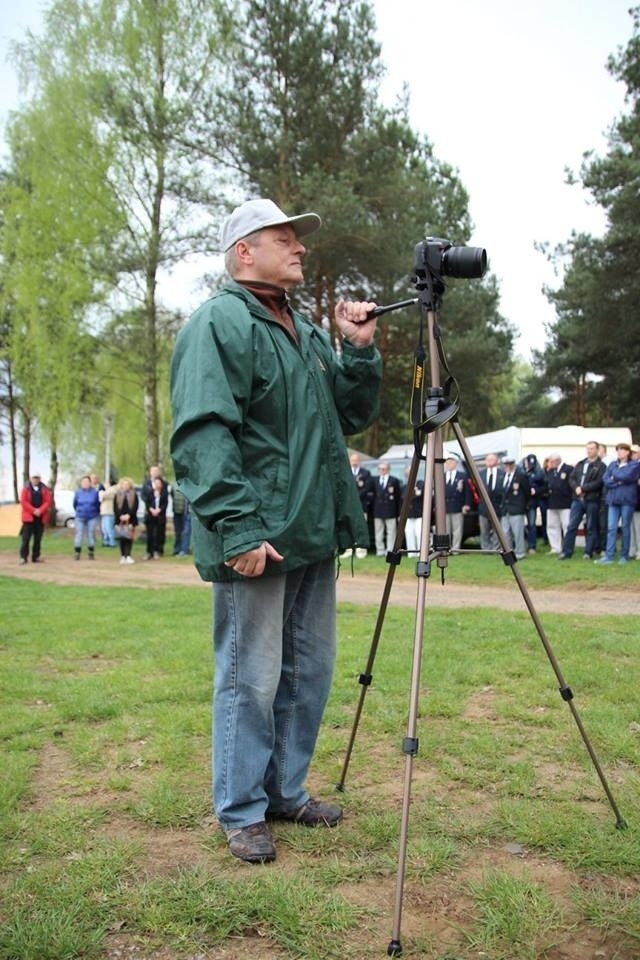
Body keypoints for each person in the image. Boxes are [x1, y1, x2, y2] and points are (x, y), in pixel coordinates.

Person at [170, 198, 381, 864]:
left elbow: (345, 416)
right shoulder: (218, 324)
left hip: (312, 531)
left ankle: (285, 791)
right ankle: (240, 809)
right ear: (243, 254)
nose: (299, 248)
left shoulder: (307, 330)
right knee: (250, 677)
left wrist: (359, 353)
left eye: (298, 239)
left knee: (309, 672)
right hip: (257, 536)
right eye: (284, 238)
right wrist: (236, 529)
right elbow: (204, 433)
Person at [559, 441, 605, 560]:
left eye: (592, 449)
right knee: (572, 526)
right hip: (577, 499)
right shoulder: (581, 463)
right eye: (588, 449)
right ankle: (566, 552)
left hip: (592, 499)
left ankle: (588, 552)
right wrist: (576, 488)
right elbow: (572, 478)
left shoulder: (601, 466)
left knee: (591, 527)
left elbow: (599, 482)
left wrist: (583, 488)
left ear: (597, 450)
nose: (589, 451)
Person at [595, 443, 640, 565]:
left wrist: (614, 478)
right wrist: (617, 482)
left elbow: (627, 476)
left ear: (627, 452)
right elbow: (605, 479)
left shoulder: (635, 465)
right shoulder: (613, 464)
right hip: (613, 500)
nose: (619, 452)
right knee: (611, 528)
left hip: (627, 500)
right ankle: (609, 556)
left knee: (625, 527)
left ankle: (624, 556)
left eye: (622, 450)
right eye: (618, 450)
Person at [499, 456, 530, 560]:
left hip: (516, 508)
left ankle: (520, 552)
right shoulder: (503, 476)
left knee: (517, 532)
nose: (508, 467)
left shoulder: (521, 476)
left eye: (510, 465)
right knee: (505, 532)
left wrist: (523, 505)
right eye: (506, 465)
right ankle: (508, 552)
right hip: (505, 509)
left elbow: (527, 492)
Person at [19, 472, 52, 564]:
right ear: (30, 478)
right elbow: (24, 502)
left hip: (40, 517)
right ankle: (23, 557)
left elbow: (47, 501)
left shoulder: (44, 489)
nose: (35, 480)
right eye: (34, 478)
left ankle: (36, 556)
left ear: (40, 479)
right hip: (28, 517)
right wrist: (33, 510)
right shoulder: (25, 489)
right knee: (26, 538)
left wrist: (40, 510)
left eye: (37, 478)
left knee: (38, 538)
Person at [443, 452, 472, 551]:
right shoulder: (442, 476)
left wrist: (467, 504)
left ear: (455, 463)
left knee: (457, 530)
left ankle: (455, 549)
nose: (449, 464)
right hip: (445, 507)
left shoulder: (462, 476)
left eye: (451, 462)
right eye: (447, 462)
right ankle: (446, 548)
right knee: (446, 530)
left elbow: (468, 492)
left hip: (458, 506)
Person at [545, 453, 573, 555]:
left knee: (566, 525)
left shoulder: (568, 469)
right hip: (552, 502)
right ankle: (555, 547)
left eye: (550, 462)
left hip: (565, 502)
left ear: (556, 461)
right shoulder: (550, 471)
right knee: (552, 525)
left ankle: (567, 547)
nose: (549, 464)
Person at [347, 452, 373, 558]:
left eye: (356, 460)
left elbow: (367, 489)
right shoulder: (346, 472)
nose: (354, 462)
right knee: (349, 527)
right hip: (348, 506)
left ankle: (361, 550)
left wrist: (355, 496)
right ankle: (348, 550)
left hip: (361, 506)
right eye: (352, 460)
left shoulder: (366, 473)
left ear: (359, 461)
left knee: (361, 528)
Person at [373, 462, 401, 556]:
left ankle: (390, 550)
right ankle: (380, 550)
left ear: (388, 469)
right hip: (378, 510)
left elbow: (398, 497)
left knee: (391, 532)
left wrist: (398, 513)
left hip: (390, 510)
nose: (382, 471)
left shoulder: (394, 480)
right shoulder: (375, 480)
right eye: (380, 469)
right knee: (378, 532)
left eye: (384, 469)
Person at [522, 453, 548, 554]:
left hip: (532, 502)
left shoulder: (539, 473)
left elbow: (545, 486)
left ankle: (532, 546)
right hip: (520, 502)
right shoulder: (521, 471)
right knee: (519, 524)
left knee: (532, 524)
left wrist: (536, 491)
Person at [477, 453, 504, 551]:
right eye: (487, 460)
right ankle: (486, 548)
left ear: (497, 461)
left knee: (497, 529)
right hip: (483, 507)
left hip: (497, 506)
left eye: (492, 459)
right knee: (484, 529)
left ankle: (496, 548)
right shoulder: (480, 473)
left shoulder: (502, 473)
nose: (489, 461)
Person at [72, 475, 101, 560]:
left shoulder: (95, 493)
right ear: (81, 483)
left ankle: (91, 552)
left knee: (90, 534)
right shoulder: (78, 492)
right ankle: (77, 552)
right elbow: (75, 504)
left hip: (91, 516)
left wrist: (95, 512)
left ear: (90, 483)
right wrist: (79, 511)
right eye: (83, 482)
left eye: (87, 482)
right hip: (80, 516)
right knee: (79, 534)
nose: (85, 483)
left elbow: (97, 504)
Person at [113, 477, 139, 565]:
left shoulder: (134, 494)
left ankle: (128, 555)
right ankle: (122, 556)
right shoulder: (117, 494)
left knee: (129, 538)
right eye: (124, 484)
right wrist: (120, 516)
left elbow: (135, 506)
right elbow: (115, 507)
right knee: (121, 538)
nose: (125, 486)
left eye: (127, 484)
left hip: (131, 519)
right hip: (119, 519)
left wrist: (128, 515)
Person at [143, 475, 168, 559]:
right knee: (150, 534)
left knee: (159, 534)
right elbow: (147, 503)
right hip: (150, 516)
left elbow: (165, 504)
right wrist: (151, 510)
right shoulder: (150, 492)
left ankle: (157, 550)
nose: (157, 484)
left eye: (158, 483)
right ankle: (149, 552)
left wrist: (159, 510)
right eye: (155, 482)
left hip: (160, 516)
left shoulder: (164, 493)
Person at [402, 466, 424, 554]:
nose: (409, 475)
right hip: (408, 515)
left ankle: (421, 552)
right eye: (407, 474)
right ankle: (411, 553)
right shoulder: (404, 487)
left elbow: (421, 496)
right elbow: (401, 501)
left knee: (419, 534)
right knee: (409, 534)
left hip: (419, 514)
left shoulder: (421, 484)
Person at [100, 481, 119, 547]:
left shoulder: (112, 490)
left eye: (106, 483)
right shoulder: (107, 491)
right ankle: (106, 542)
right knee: (104, 529)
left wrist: (105, 490)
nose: (104, 485)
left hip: (110, 512)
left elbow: (102, 496)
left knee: (109, 528)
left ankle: (112, 542)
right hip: (104, 512)